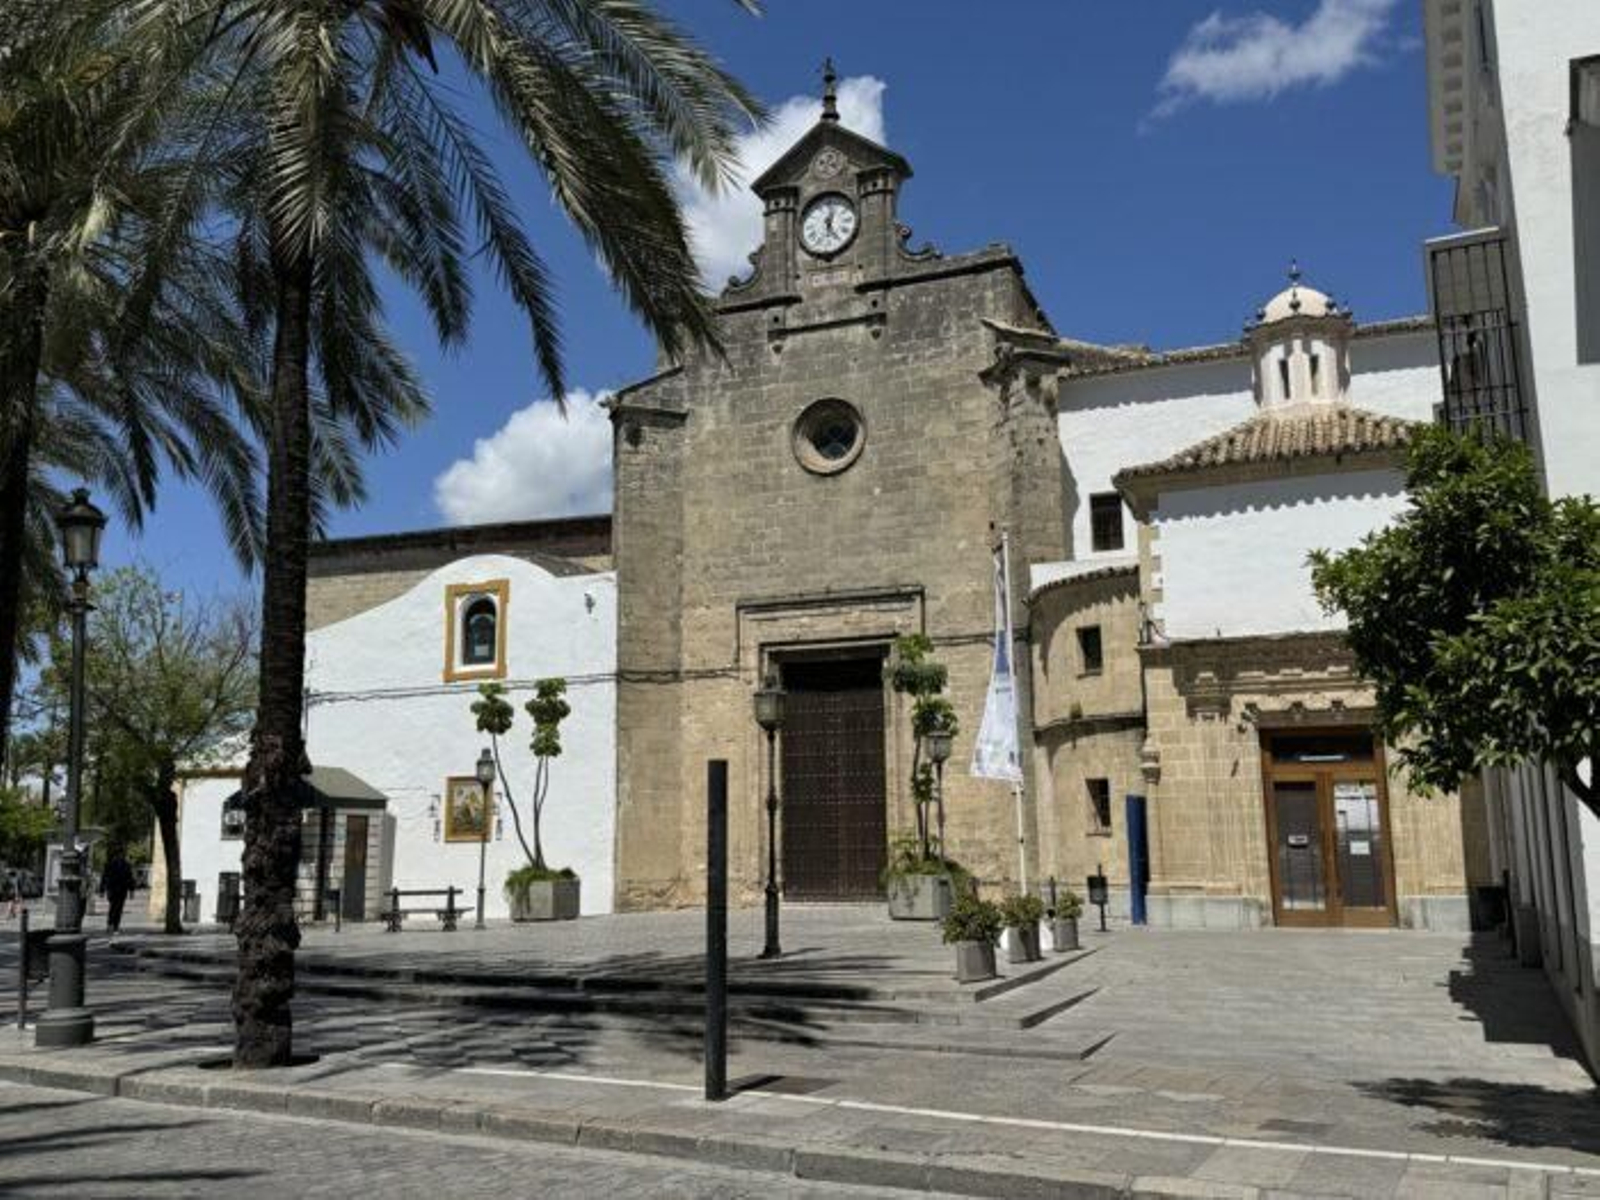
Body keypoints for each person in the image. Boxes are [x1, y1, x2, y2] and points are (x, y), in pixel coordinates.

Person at [100, 848, 135, 935]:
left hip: (122, 890)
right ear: (115, 855)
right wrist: (102, 890)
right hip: (112, 889)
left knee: (119, 909)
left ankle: (116, 927)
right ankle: (110, 925)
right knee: (112, 907)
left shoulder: (126, 865)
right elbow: (104, 877)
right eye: (119, 855)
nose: (120, 856)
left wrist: (131, 890)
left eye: (122, 855)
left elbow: (130, 878)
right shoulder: (109, 864)